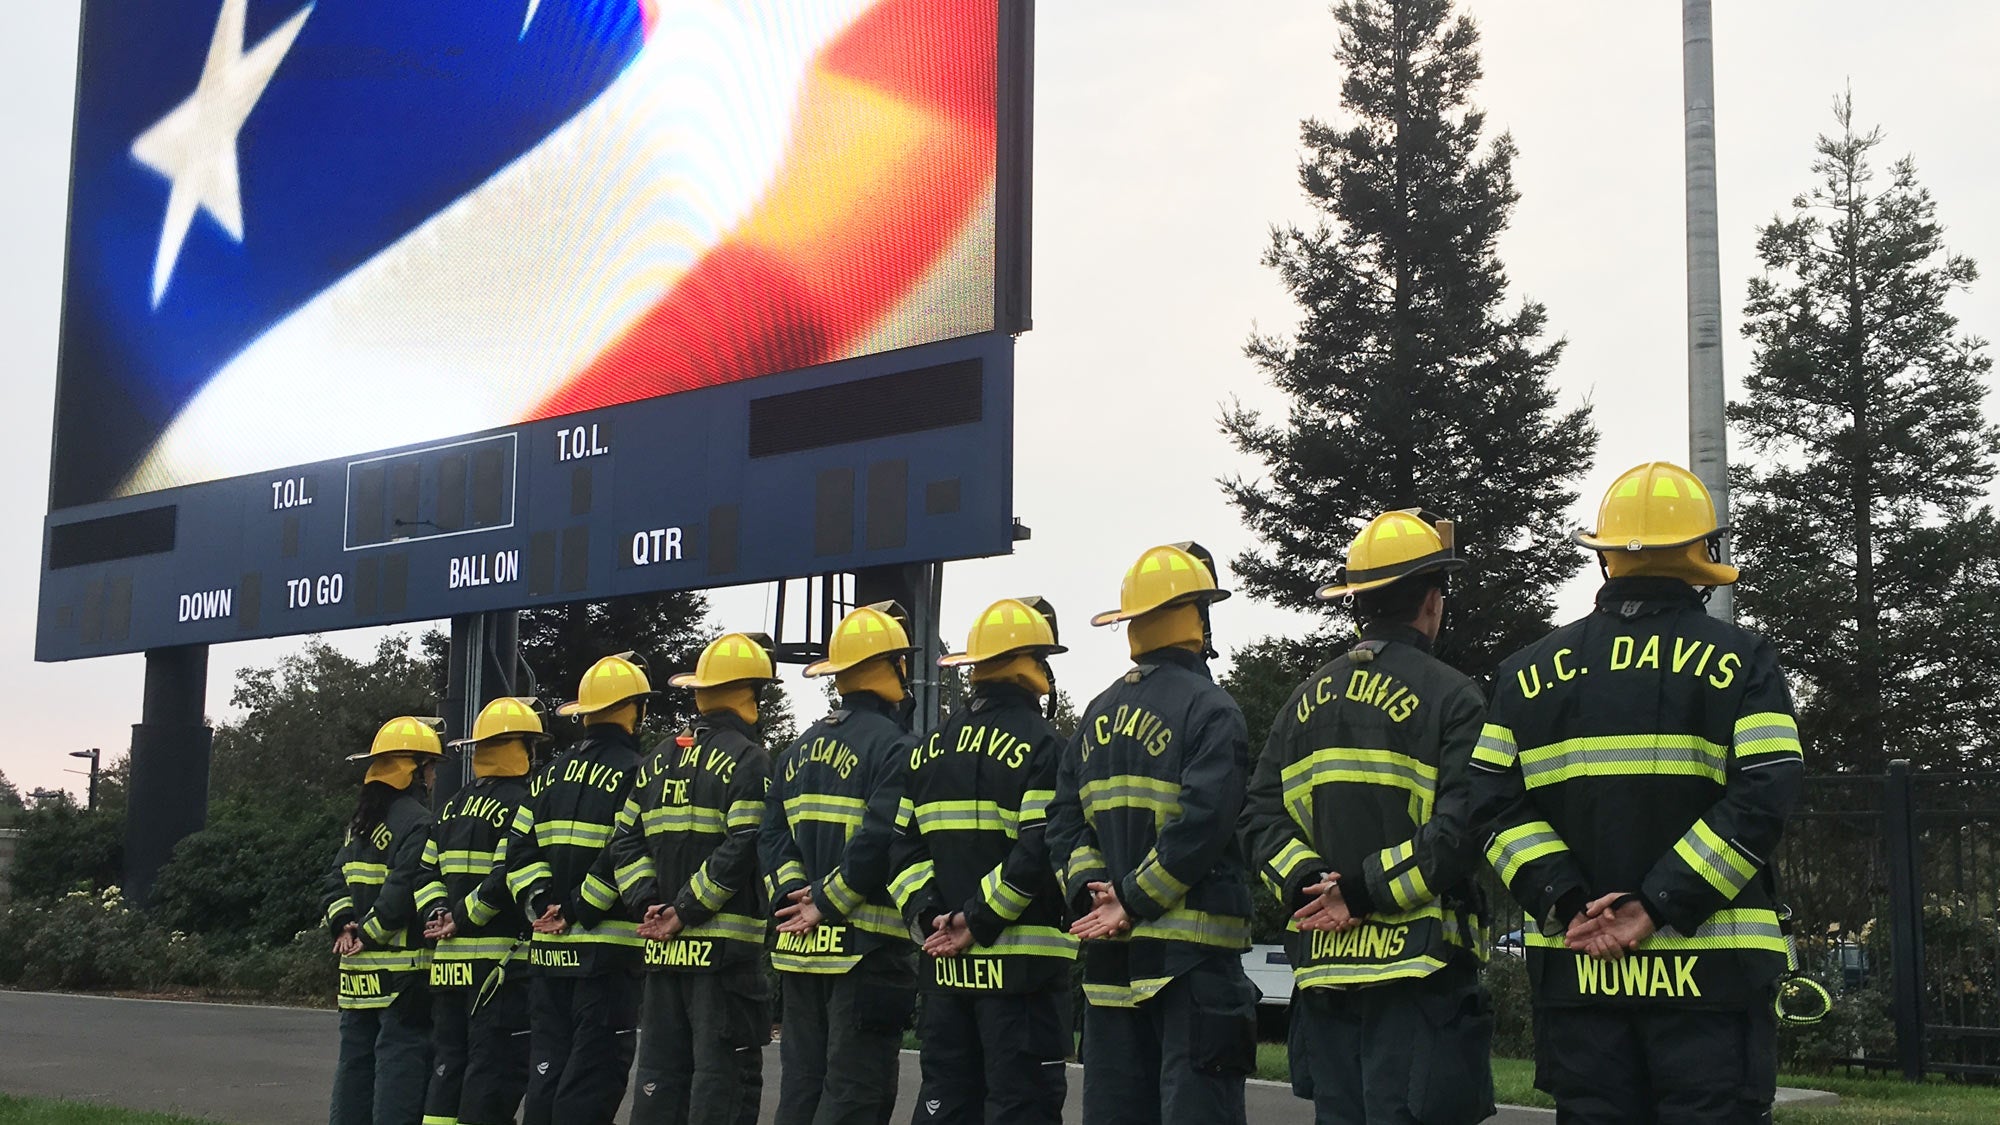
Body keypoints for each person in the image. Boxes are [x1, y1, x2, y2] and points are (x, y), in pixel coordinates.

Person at [1471, 462, 1806, 1124]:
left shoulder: (1526, 672)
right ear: (1699, 554)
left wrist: (1566, 899)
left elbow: (1490, 805)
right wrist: (1655, 904)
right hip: (1710, 986)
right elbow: (1766, 792)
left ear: (1606, 559)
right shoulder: (1743, 659)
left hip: (1579, 980)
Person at [1242, 510, 1496, 1124]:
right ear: (1432, 601)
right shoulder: (1455, 696)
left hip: (1326, 972)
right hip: (1420, 977)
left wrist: (1312, 887)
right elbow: (1461, 829)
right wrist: (1357, 892)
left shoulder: (1304, 699)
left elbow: (1256, 817)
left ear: (1358, 602)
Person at [1046, 542, 1259, 1125]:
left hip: (1112, 971)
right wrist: (1132, 902)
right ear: (1197, 614)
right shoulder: (1212, 709)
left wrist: (1096, 892)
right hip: (1193, 967)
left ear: (1133, 624)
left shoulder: (1095, 713)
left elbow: (1065, 822)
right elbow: (1203, 824)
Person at [889, 597, 1078, 1124]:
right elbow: (1038, 852)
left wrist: (931, 917)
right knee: (1022, 1109)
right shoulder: (1045, 745)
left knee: (945, 1106)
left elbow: (901, 851)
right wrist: (977, 919)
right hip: (1022, 979)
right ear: (1034, 663)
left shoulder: (927, 748)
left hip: (945, 974)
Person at [760, 602, 921, 1125]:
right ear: (893, 666)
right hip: (866, 953)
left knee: (801, 1091)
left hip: (801, 951)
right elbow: (880, 836)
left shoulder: (797, 749)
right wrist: (826, 902)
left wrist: (794, 899)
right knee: (856, 1094)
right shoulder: (899, 748)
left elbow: (773, 836)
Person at [610, 632, 778, 1125]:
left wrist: (649, 904)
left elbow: (624, 842)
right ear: (750, 692)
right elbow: (744, 844)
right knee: (722, 1084)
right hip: (723, 963)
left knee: (661, 1081)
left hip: (662, 954)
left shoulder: (656, 759)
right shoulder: (750, 760)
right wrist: (684, 910)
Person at [503, 653, 651, 1125]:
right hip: (606, 957)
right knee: (592, 1081)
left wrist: (542, 904)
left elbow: (517, 851)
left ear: (585, 713)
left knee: (545, 1079)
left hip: (547, 956)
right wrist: (575, 907)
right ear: (635, 709)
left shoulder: (546, 776)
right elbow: (623, 850)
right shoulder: (640, 772)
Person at [418, 696, 546, 1125]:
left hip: (448, 967)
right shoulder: (525, 801)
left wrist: (439, 912)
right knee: (493, 1072)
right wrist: (466, 915)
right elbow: (509, 870)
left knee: (447, 1067)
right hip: (499, 968)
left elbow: (425, 873)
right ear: (523, 746)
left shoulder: (449, 807)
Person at [322, 715, 444, 1125]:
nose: (432, 777)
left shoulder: (359, 824)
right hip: (402, 978)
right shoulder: (418, 822)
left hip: (356, 977)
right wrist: (369, 936)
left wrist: (344, 927)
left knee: (353, 1073)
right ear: (411, 769)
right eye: (429, 767)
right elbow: (405, 889)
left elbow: (334, 881)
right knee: (400, 1076)